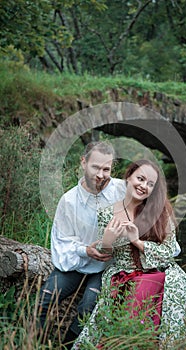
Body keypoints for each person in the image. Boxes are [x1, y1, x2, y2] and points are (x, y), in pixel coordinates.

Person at [73, 159, 186, 349]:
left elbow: (169, 252)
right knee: (125, 299)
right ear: (129, 177)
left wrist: (138, 242)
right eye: (140, 179)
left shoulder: (160, 212)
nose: (143, 186)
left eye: (150, 184)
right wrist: (107, 241)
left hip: (160, 271)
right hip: (123, 273)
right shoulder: (106, 213)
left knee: (150, 286)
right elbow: (105, 254)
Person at [38, 141, 126, 349]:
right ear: (84, 162)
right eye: (96, 167)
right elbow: (61, 243)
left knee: (88, 306)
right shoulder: (68, 201)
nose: (101, 175)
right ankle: (34, 343)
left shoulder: (122, 190)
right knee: (43, 299)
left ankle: (68, 346)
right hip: (78, 261)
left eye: (107, 169)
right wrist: (86, 250)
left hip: (108, 266)